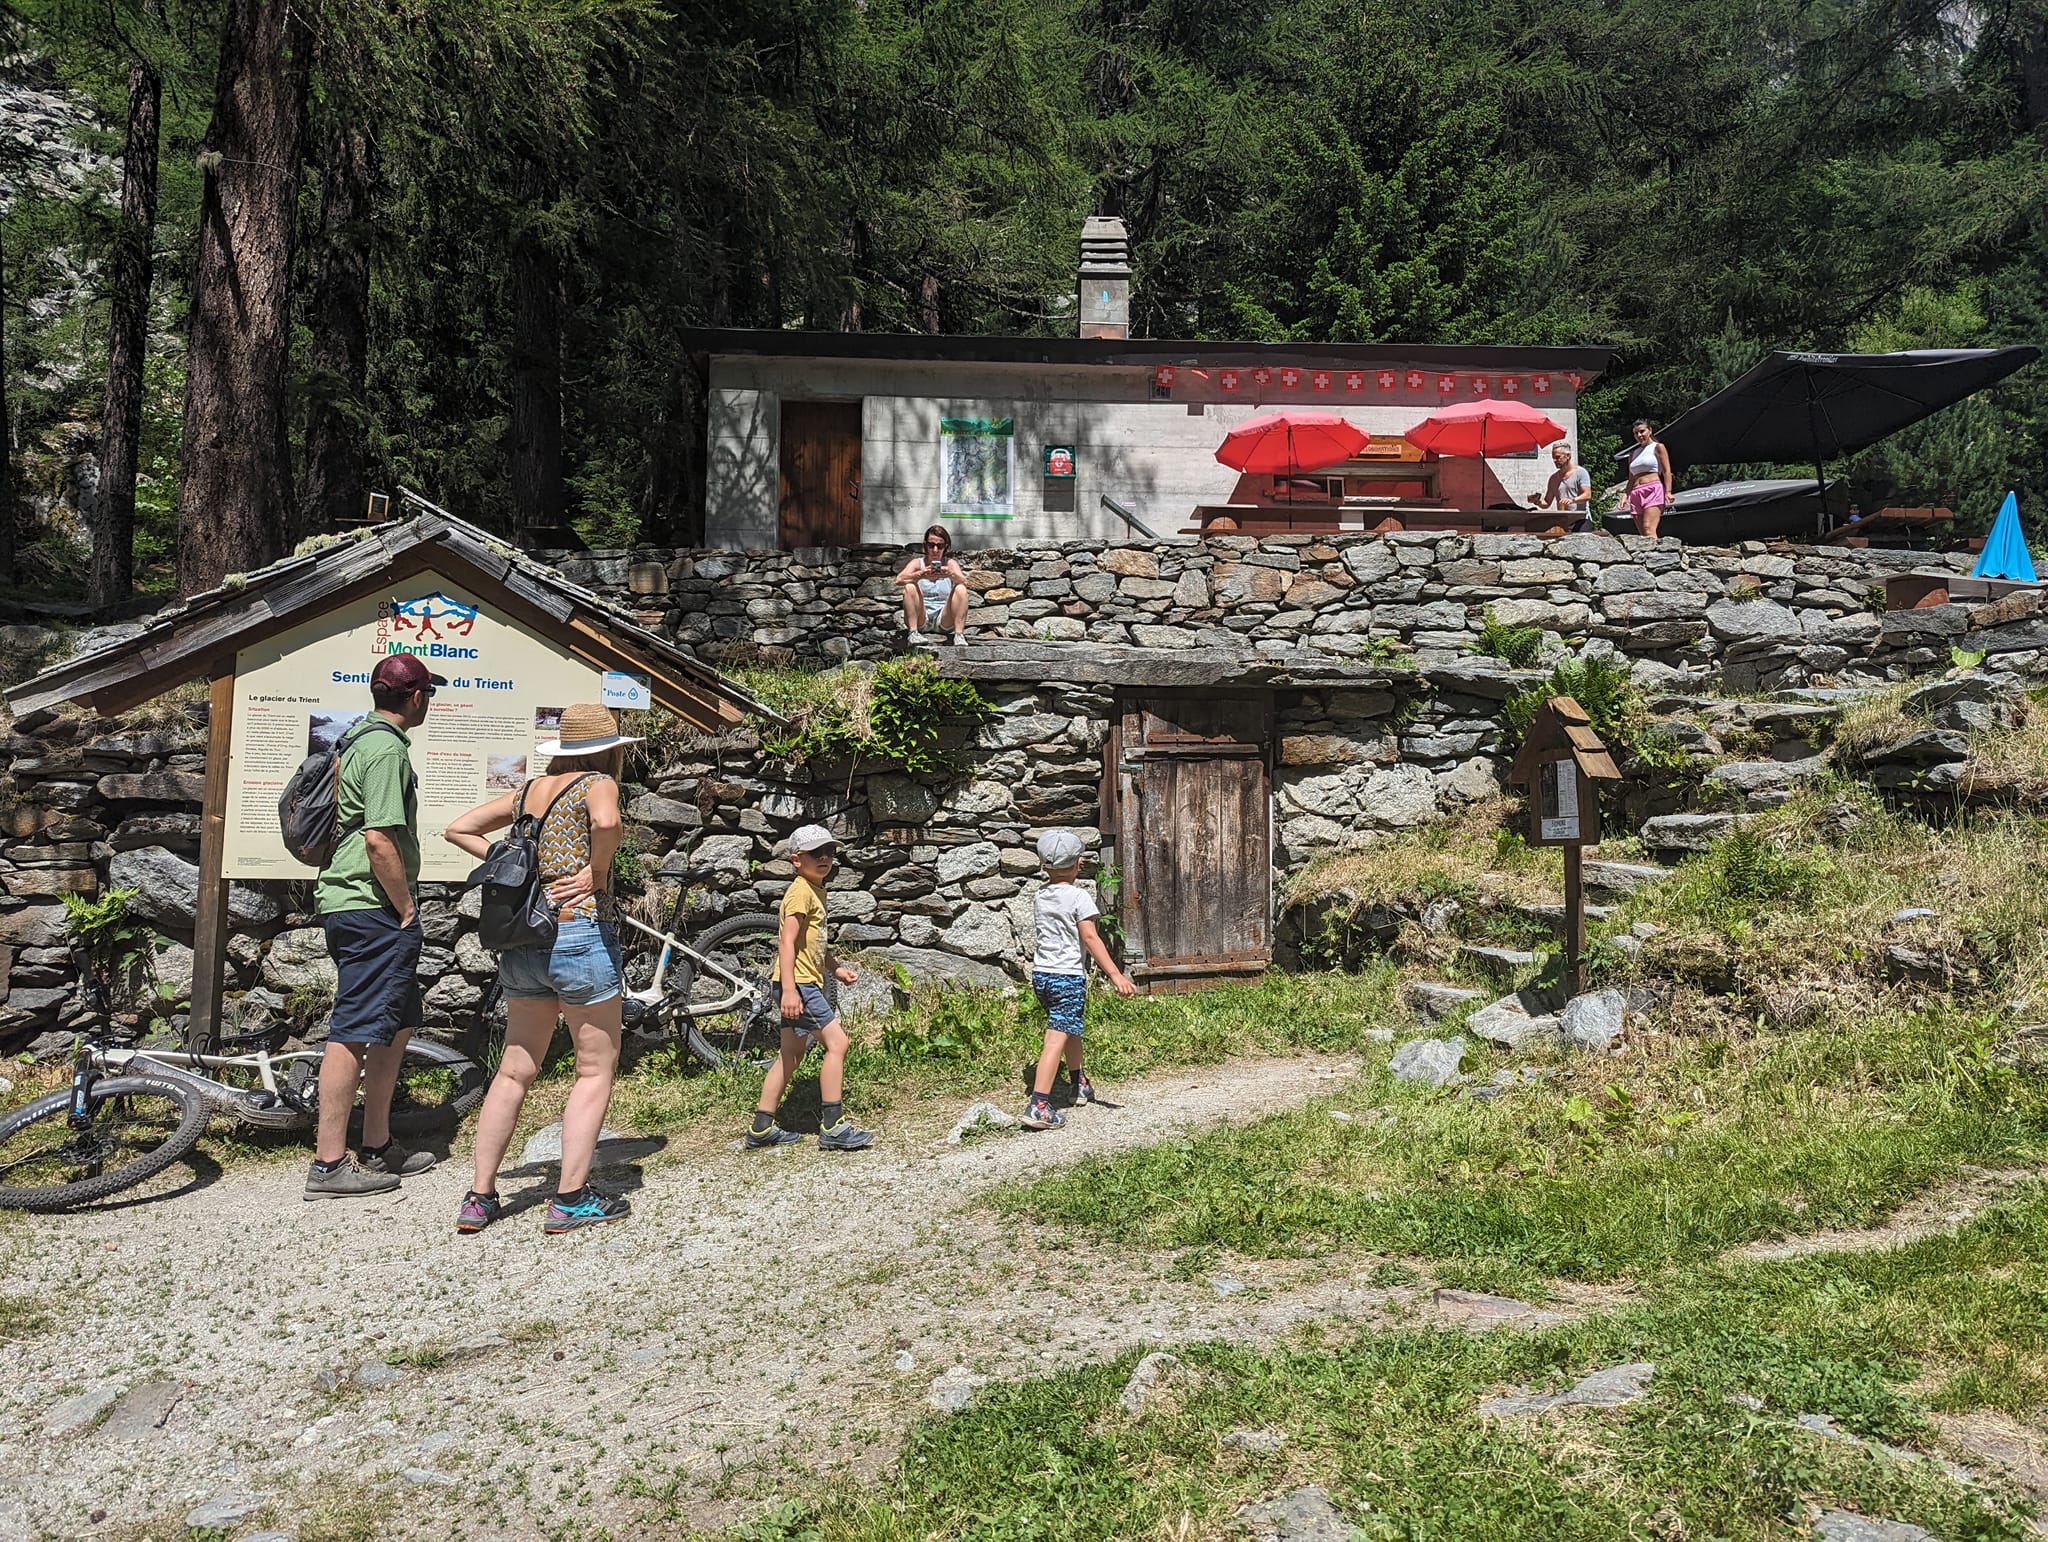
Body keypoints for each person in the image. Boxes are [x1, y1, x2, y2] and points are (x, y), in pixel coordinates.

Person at [443, 703, 637, 1235]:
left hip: (524, 943)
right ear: (606, 749)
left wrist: (516, 871)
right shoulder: (599, 781)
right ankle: (570, 1198)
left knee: (514, 1069)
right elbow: (606, 821)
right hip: (575, 930)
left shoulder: (530, 791)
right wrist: (595, 872)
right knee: (593, 1069)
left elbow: (459, 828)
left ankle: (479, 1197)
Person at [305, 653, 444, 1201]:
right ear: (416, 697)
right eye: (428, 693)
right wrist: (406, 909)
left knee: (397, 1018)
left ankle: (377, 1143)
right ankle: (328, 1163)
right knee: (355, 1027)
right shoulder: (385, 749)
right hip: (371, 906)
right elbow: (379, 839)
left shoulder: (356, 740)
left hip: (353, 902)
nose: (428, 701)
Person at [747, 824, 872, 1151]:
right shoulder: (801, 892)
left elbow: (813, 944)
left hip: (800, 982)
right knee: (838, 1044)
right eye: (816, 853)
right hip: (799, 984)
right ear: (796, 859)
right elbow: (786, 942)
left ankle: (761, 1127)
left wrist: (836, 969)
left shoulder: (814, 890)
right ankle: (833, 1126)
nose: (825, 858)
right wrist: (789, 990)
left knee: (790, 1053)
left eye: (829, 852)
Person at [1020, 828, 1136, 1132]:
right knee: (1054, 1039)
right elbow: (1089, 936)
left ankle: (1078, 1083)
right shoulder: (1079, 897)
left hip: (1042, 975)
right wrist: (1115, 974)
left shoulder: (1040, 895)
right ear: (1078, 863)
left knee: (1070, 1028)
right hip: (1067, 977)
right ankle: (1039, 1105)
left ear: (1044, 864)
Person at [893, 524, 969, 647]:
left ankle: (959, 635)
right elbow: (899, 580)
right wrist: (920, 575)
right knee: (909, 586)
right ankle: (913, 633)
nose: (935, 550)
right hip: (921, 618)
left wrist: (950, 574)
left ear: (946, 547)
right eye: (931, 545)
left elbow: (964, 582)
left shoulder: (950, 563)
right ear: (925, 546)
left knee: (960, 588)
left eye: (940, 546)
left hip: (944, 618)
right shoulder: (917, 563)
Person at [1624, 419, 1675, 541]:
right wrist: (1625, 495)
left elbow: (1666, 471)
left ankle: (1658, 557)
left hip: (1652, 489)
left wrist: (1668, 491)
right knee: (1642, 534)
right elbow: (1631, 478)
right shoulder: (1633, 454)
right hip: (1636, 492)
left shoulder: (1657, 447)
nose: (1639, 435)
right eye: (1636, 433)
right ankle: (1648, 558)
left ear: (1650, 430)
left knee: (1648, 528)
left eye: (1642, 431)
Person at [1531, 442, 1592, 523]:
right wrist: (1537, 501)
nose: (1555, 460)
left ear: (1568, 456)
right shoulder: (1553, 478)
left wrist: (1572, 500)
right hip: (1563, 520)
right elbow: (1547, 502)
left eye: (1557, 457)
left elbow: (1587, 495)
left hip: (1581, 519)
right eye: (1553, 458)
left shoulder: (1581, 473)